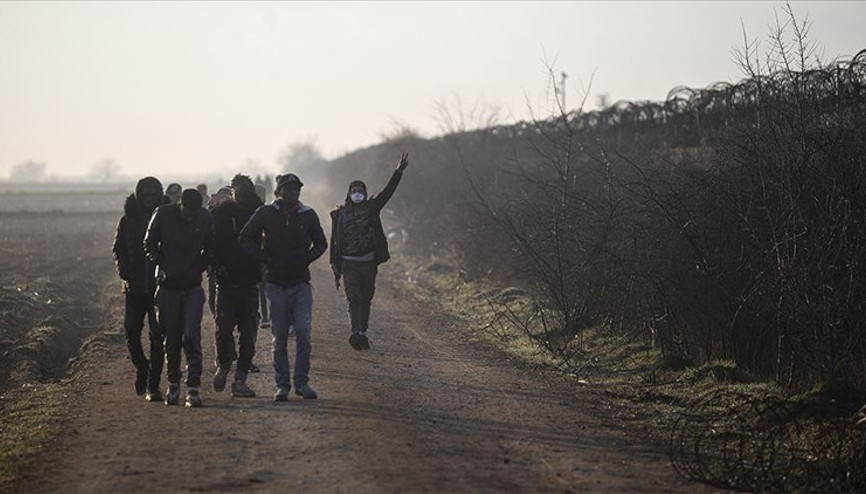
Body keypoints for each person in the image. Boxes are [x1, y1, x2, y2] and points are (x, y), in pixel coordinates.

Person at [239, 173, 327, 402]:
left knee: (303, 333)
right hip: (276, 284)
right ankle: (282, 385)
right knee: (279, 339)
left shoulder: (307, 215)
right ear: (279, 192)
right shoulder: (266, 213)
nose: (294, 193)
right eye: (289, 189)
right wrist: (264, 258)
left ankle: (302, 382)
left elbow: (321, 243)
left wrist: (306, 258)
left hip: (300, 284)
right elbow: (245, 238)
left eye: (297, 189)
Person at [330, 152, 410, 350]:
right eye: (354, 191)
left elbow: (387, 193)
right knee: (353, 298)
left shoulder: (372, 208)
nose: (358, 194)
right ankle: (356, 332)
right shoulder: (339, 214)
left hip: (369, 262)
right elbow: (334, 241)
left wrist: (398, 172)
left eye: (361, 191)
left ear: (365, 193)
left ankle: (363, 330)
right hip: (349, 264)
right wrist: (335, 264)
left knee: (366, 298)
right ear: (349, 194)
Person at [145, 188, 215, 407]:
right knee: (172, 339)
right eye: (188, 212)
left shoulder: (205, 218)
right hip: (168, 288)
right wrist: (161, 263)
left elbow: (211, 247)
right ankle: (173, 384)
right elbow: (148, 243)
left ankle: (193, 387)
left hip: (193, 288)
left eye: (195, 212)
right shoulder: (163, 215)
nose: (191, 217)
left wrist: (199, 268)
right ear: (180, 205)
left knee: (192, 337)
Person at [210, 174, 264, 398]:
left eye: (243, 191)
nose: (239, 195)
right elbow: (210, 241)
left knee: (248, 333)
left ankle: (240, 379)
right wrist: (215, 265)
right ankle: (223, 365)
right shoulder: (221, 213)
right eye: (236, 190)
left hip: (249, 281)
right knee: (223, 329)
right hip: (226, 281)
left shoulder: (260, 213)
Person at [112, 176, 165, 400]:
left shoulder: (167, 218)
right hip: (134, 287)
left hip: (160, 288)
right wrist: (124, 271)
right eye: (145, 195)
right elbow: (118, 248)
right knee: (132, 332)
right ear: (138, 196)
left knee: (158, 336)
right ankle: (142, 368)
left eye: (153, 195)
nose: (149, 199)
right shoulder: (128, 220)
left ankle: (153, 384)